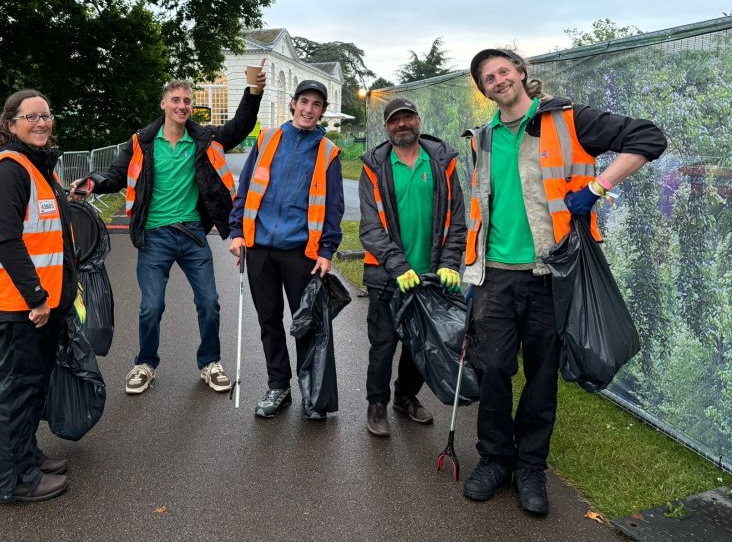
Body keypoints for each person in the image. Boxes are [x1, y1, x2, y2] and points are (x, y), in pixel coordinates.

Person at [462, 48, 666, 516]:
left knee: (541, 377)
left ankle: (531, 467)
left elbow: (648, 139)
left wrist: (596, 189)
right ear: (483, 89)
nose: (498, 80)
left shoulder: (568, 120)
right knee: (492, 370)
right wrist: (470, 269)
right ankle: (495, 460)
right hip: (493, 274)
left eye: (504, 71)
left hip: (549, 274)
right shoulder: (482, 139)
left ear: (520, 74)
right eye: (488, 77)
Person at [71, 71, 265, 394]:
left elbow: (241, 126)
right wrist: (92, 182)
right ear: (163, 104)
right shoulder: (142, 142)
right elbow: (117, 175)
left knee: (210, 302)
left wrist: (254, 91)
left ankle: (210, 363)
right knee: (151, 306)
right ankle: (145, 364)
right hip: (155, 236)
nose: (182, 105)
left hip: (192, 235)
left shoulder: (205, 139)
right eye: (175, 99)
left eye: (187, 100)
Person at [0, 89, 78, 503]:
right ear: (12, 123)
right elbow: (7, 240)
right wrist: (36, 297)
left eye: (46, 115)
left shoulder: (35, 164)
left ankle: (27, 456)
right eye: (31, 117)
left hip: (43, 302)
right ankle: (14, 481)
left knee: (32, 387)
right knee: (14, 392)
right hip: (22, 305)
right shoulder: (8, 168)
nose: (41, 123)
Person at [228, 79, 344, 419]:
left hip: (301, 253)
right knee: (269, 321)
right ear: (293, 103)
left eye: (316, 105)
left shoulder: (328, 152)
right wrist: (237, 231)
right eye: (304, 102)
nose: (309, 109)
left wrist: (327, 250)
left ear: (322, 111)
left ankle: (313, 394)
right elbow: (245, 188)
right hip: (260, 249)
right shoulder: (267, 139)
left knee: (306, 323)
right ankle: (279, 386)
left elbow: (333, 205)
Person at [359, 97, 466, 437]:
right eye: (395, 120)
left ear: (418, 121)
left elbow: (458, 218)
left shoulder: (442, 162)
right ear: (386, 126)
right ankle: (376, 404)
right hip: (388, 276)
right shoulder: (374, 166)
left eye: (407, 118)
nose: (402, 124)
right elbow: (370, 227)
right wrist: (397, 265)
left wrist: (450, 262)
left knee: (421, 343)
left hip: (430, 275)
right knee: (383, 344)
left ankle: (405, 397)